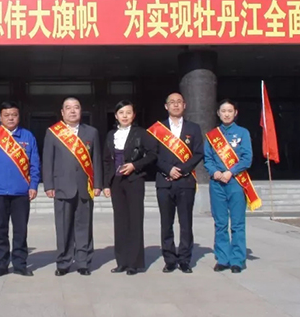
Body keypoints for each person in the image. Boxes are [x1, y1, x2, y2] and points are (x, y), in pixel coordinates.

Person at [0, 101, 41, 277]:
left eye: (14, 115)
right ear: (0, 117)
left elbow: (35, 164)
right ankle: (1, 265)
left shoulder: (28, 136)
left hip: (21, 192)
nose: (11, 118)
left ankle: (20, 264)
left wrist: (33, 185)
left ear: (19, 116)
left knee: (20, 231)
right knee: (0, 230)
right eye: (7, 115)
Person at [42, 97, 102, 276]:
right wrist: (48, 185)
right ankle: (63, 262)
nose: (72, 111)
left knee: (84, 226)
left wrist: (98, 183)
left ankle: (83, 262)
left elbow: (96, 160)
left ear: (81, 111)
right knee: (63, 227)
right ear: (62, 112)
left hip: (85, 186)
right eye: (68, 108)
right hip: (62, 186)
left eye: (76, 107)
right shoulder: (53, 132)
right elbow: (48, 160)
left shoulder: (91, 132)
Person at [148, 92, 203, 274]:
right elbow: (153, 154)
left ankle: (185, 259)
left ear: (184, 105)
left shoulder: (194, 128)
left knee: (186, 223)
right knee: (166, 223)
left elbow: (198, 153)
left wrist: (182, 169)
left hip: (186, 181)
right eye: (172, 102)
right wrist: (168, 169)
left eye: (179, 102)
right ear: (166, 106)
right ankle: (170, 259)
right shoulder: (158, 129)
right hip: (164, 181)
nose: (176, 105)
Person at [204, 99, 260, 273]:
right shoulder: (212, 135)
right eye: (223, 111)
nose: (226, 114)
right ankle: (223, 258)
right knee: (220, 223)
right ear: (218, 113)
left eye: (230, 111)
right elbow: (207, 159)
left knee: (237, 223)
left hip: (236, 182)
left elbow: (247, 158)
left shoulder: (243, 133)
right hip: (217, 183)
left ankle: (237, 259)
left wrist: (231, 172)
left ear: (235, 113)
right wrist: (214, 172)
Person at [103, 101, 157, 275]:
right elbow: (106, 160)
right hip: (116, 182)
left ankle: (134, 263)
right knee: (120, 222)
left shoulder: (141, 133)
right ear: (116, 115)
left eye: (128, 112)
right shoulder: (111, 135)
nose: (124, 116)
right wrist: (106, 184)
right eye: (121, 112)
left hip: (134, 180)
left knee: (135, 220)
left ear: (133, 115)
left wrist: (135, 165)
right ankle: (122, 262)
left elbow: (153, 154)